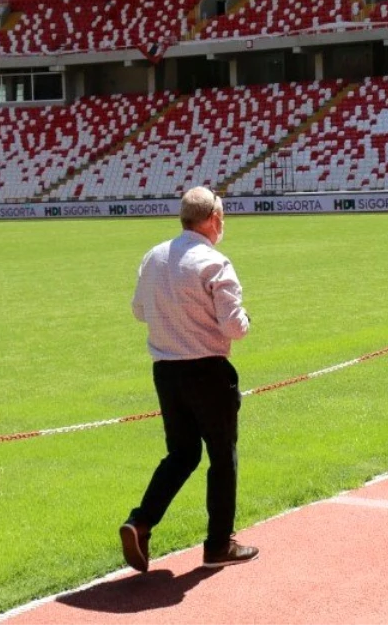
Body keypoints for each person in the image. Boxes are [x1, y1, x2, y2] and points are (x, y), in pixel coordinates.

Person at [120, 186, 258, 572]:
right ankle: (218, 544)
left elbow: (138, 311)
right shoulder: (214, 263)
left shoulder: (153, 257)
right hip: (208, 370)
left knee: (181, 454)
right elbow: (234, 327)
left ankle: (141, 520)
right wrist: (245, 320)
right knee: (221, 457)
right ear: (213, 219)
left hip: (166, 371)